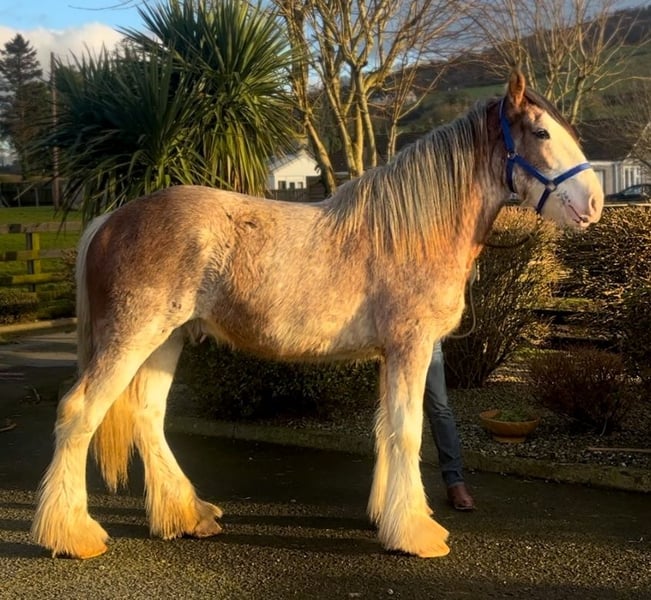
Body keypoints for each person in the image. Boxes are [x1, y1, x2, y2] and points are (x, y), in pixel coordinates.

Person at [424, 340, 475, 511]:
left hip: (428, 337)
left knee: (440, 409)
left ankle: (454, 482)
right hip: (390, 339)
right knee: (392, 411)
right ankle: (391, 488)